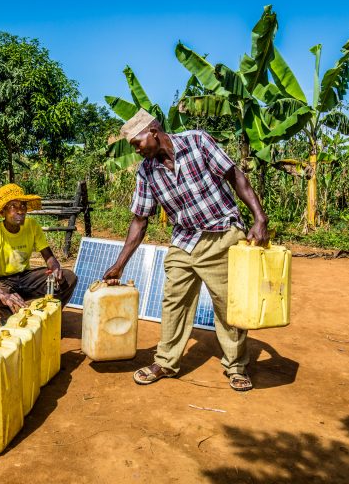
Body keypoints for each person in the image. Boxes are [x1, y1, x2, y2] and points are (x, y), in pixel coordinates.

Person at [102, 109, 269, 391]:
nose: (137, 150)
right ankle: (166, 361)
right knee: (173, 301)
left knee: (228, 305)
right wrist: (120, 264)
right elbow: (140, 220)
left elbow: (235, 176)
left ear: (153, 131)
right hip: (183, 240)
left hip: (221, 235)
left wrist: (259, 218)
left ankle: (236, 367)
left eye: (137, 143)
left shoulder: (197, 142)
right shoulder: (147, 172)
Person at [0, 183, 78, 325]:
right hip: (2, 281)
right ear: (2, 211)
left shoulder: (32, 226)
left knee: (69, 278)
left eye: (23, 205)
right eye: (14, 206)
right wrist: (3, 295)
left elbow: (49, 257)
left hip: (26, 277)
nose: (20, 210)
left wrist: (55, 269)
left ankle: (50, 317)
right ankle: (8, 314)